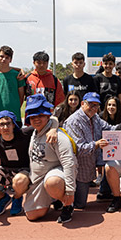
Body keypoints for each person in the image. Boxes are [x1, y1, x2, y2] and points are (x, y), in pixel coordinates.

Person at [22, 94, 77, 223]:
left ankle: (67, 205)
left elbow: (69, 163)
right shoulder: (34, 132)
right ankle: (54, 198)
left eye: (40, 115)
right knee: (32, 215)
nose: (36, 119)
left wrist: (69, 190)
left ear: (47, 115)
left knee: (52, 183)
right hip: (38, 178)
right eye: (33, 116)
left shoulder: (58, 136)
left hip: (57, 175)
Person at [64, 91, 112, 210]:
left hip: (89, 165)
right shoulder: (73, 121)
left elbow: (110, 128)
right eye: (90, 104)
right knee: (79, 205)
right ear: (82, 104)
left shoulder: (95, 117)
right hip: (78, 169)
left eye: (96, 105)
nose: (93, 108)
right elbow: (79, 149)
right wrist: (96, 144)